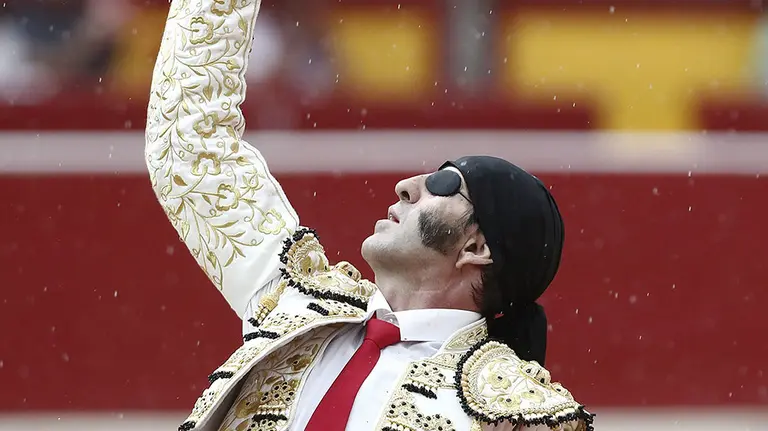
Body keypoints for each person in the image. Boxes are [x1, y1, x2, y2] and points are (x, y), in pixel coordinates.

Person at [144, 1, 593, 430]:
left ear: (475, 247)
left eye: (443, 184)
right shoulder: (297, 303)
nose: (407, 186)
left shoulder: (518, 415)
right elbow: (190, 151)